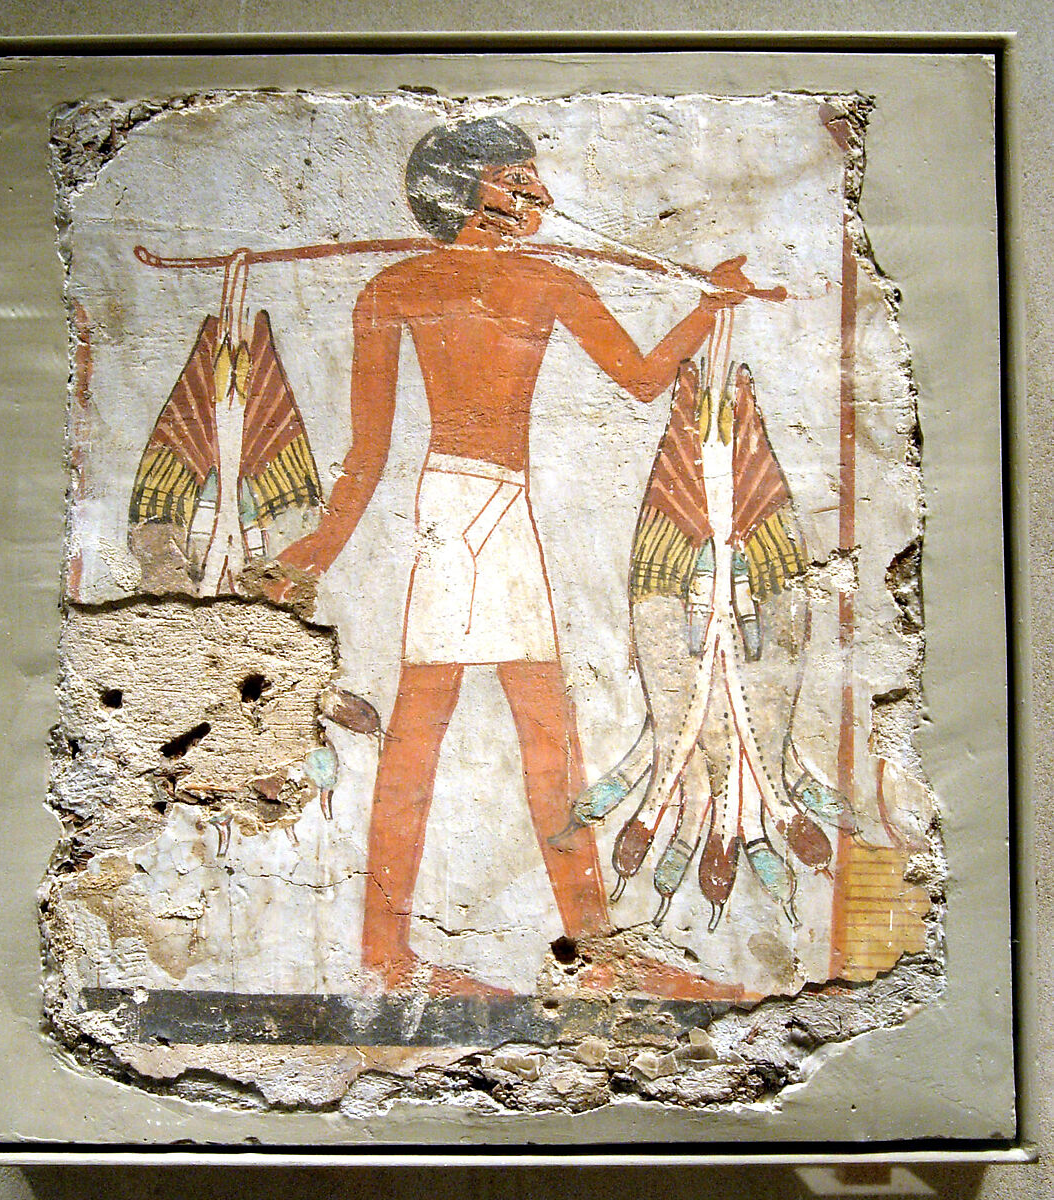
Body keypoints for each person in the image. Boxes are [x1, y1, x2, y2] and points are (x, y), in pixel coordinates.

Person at [278, 117, 752, 997]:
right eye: (518, 181)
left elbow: (642, 380)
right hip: (457, 514)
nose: (541, 196)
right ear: (465, 192)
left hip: (504, 512)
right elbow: (367, 451)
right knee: (435, 730)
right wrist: (319, 550)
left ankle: (586, 954)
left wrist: (706, 308)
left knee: (538, 733)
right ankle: (391, 957)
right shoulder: (401, 287)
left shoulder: (546, 282)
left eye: (535, 178)